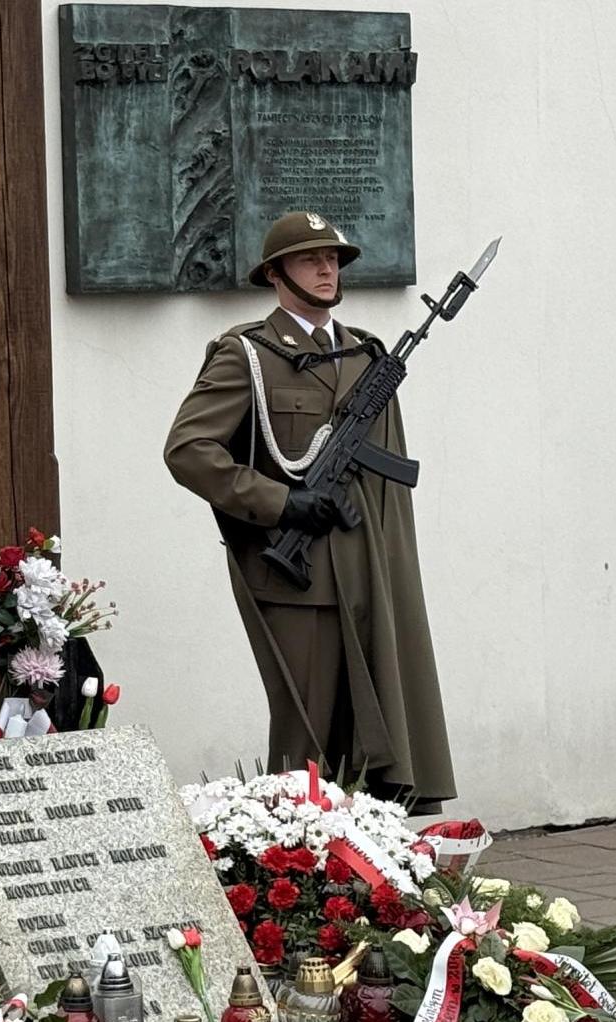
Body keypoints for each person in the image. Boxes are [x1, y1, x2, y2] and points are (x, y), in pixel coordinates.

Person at [163, 210, 453, 810]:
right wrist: (282, 502)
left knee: (377, 726)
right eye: (309, 259)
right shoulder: (249, 354)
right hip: (299, 578)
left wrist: (392, 568)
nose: (326, 269)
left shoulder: (367, 356)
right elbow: (189, 451)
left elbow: (387, 482)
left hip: (367, 567)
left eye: (333, 260)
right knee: (307, 738)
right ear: (275, 274)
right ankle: (295, 874)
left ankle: (376, 867)